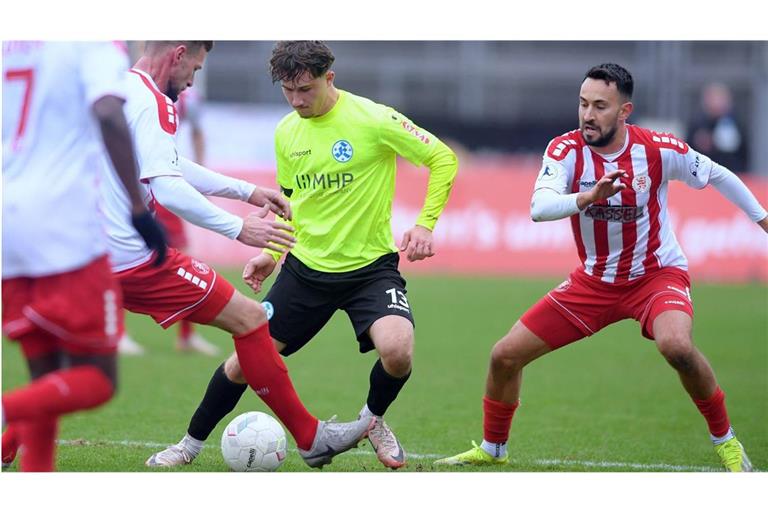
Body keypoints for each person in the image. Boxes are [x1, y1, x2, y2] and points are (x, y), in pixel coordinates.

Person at [435, 63, 767, 472]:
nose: (588, 115)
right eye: (583, 104)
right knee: (504, 356)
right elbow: (539, 207)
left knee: (677, 347)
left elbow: (718, 174)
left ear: (624, 111)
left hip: (655, 275)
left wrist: (762, 219)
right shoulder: (565, 151)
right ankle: (493, 448)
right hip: (594, 283)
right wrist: (588, 196)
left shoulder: (656, 149)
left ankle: (726, 441)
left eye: (599, 106)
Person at [146, 40, 459, 470]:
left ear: (329, 78)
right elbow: (293, 203)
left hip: (371, 270)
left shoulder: (374, 119)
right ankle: (188, 446)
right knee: (242, 364)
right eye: (288, 91)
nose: (296, 101)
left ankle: (371, 420)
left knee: (398, 350)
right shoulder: (287, 132)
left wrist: (425, 224)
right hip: (305, 271)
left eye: (305, 90)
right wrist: (271, 254)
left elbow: (443, 158)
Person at [1, 41, 167, 471]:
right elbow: (109, 112)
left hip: (9, 225)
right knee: (98, 379)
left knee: (46, 380)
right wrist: (137, 208)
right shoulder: (92, 37)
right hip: (65, 227)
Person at [118, 86, 219, 357]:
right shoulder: (131, 89)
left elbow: (197, 131)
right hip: (134, 187)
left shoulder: (187, 98)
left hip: (164, 181)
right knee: (119, 255)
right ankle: (117, 333)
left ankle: (187, 336)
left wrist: (200, 171)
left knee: (182, 253)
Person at [687, 82, 748, 173]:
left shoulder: (735, 123)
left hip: (731, 172)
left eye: (720, 99)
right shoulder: (697, 124)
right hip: (703, 174)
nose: (717, 103)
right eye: (713, 99)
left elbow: (743, 152)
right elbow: (688, 150)